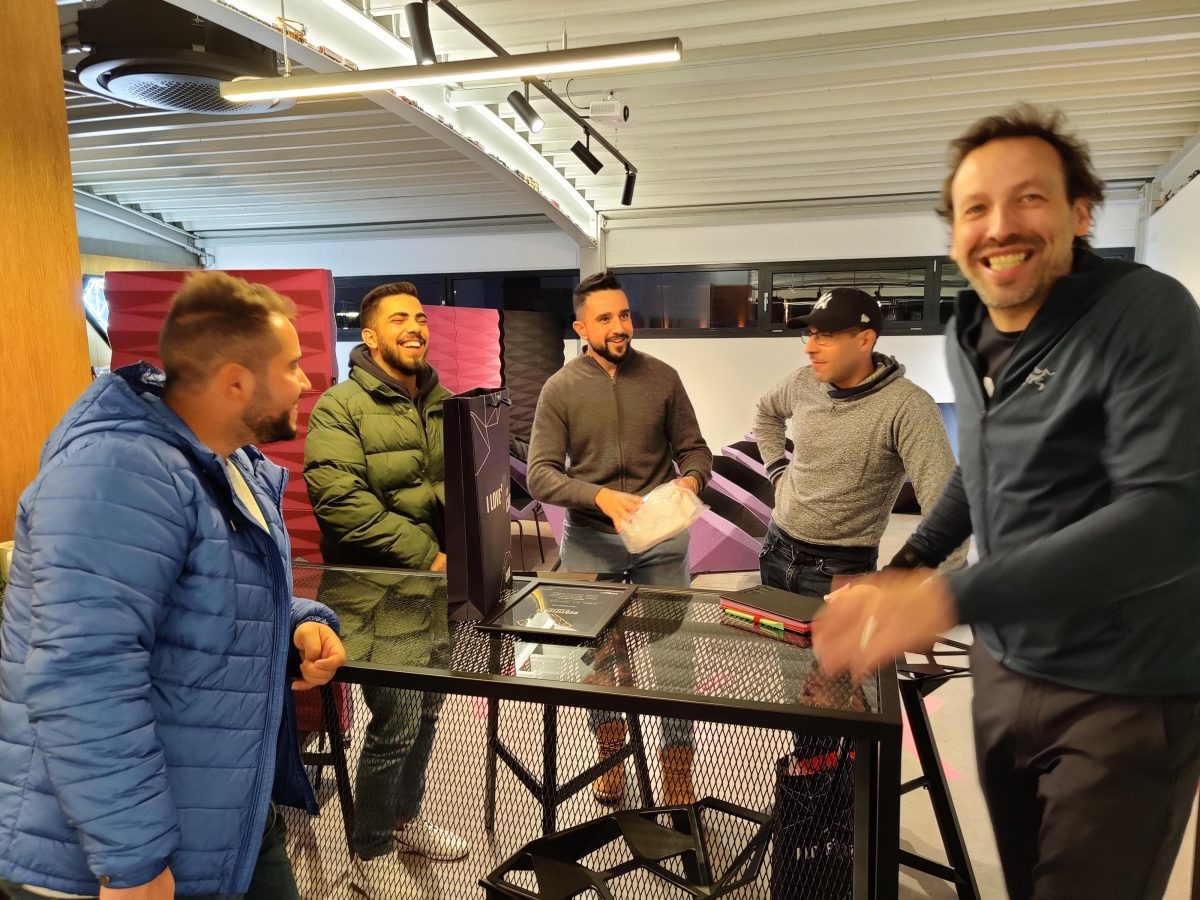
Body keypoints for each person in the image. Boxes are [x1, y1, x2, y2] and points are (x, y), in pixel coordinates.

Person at [813, 104, 1200, 900]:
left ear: (1080, 213)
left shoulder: (1146, 312)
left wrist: (949, 596)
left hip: (1123, 687)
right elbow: (981, 472)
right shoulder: (970, 330)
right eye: (975, 208)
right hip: (1004, 666)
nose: (999, 226)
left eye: (1029, 198)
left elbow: (1166, 513)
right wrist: (909, 566)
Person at [0, 271, 345, 900]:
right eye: (291, 366)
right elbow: (83, 673)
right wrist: (132, 859)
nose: (306, 382)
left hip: (220, 810)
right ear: (236, 381)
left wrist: (299, 621)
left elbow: (201, 596)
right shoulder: (117, 472)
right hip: (106, 854)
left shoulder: (228, 464)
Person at [303, 282, 467, 897]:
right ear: (370, 336)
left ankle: (405, 820)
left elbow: (465, 486)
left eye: (419, 317)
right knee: (395, 723)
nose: (414, 326)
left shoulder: (446, 404)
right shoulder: (338, 407)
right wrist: (429, 554)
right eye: (399, 319)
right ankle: (369, 852)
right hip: (374, 595)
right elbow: (341, 504)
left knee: (427, 714)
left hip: (438, 593)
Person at [527, 269, 713, 806]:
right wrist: (599, 497)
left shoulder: (663, 378)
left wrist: (692, 479)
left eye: (625, 314)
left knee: (674, 657)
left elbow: (695, 449)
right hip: (591, 542)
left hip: (661, 541)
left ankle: (677, 770)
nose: (619, 326)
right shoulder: (560, 389)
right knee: (599, 660)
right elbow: (540, 475)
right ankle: (612, 759)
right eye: (605, 318)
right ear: (581, 328)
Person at [754, 286, 964, 601]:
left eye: (825, 336)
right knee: (772, 635)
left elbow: (947, 510)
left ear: (865, 340)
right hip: (775, 546)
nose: (809, 348)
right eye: (810, 335)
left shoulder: (907, 407)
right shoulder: (802, 381)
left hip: (840, 572)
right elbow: (766, 413)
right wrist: (777, 471)